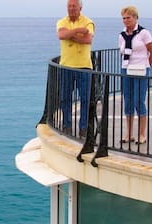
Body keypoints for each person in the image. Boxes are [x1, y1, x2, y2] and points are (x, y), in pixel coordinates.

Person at [118, 6, 152, 145]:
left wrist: (146, 65)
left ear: (135, 18)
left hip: (140, 70)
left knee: (139, 101)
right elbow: (122, 52)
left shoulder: (144, 33)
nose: (126, 20)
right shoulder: (122, 35)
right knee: (128, 100)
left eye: (128, 17)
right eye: (124, 18)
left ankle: (141, 134)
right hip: (126, 69)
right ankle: (129, 133)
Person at [57, 0, 95, 136]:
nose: (71, 8)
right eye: (69, 6)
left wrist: (70, 35)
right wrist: (78, 31)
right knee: (65, 98)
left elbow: (88, 40)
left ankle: (83, 128)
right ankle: (67, 126)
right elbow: (61, 35)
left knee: (85, 98)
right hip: (66, 65)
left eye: (74, 6)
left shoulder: (88, 22)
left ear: (80, 7)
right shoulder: (62, 21)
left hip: (84, 66)